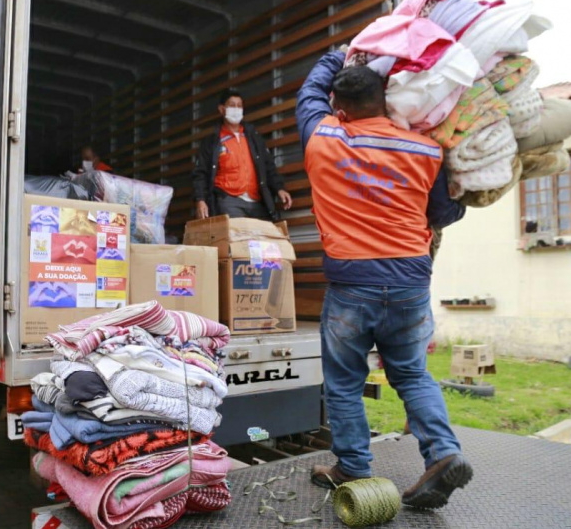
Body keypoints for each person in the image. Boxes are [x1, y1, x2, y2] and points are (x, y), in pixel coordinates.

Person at [296, 50, 471, 509]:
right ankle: (443, 453)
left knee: (344, 382)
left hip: (352, 285)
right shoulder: (425, 148)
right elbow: (442, 213)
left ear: (340, 108)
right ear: (386, 100)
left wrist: (338, 55)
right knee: (411, 373)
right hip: (411, 282)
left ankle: (353, 467)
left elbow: (309, 92)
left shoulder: (322, 138)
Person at [192, 89, 292, 221]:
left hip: (257, 201)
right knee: (237, 234)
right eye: (232, 105)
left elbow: (268, 166)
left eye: (239, 106)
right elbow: (200, 174)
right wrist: (200, 199)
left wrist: (280, 189)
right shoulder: (212, 141)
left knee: (262, 234)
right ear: (221, 109)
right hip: (229, 201)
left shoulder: (254, 137)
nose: (236, 109)